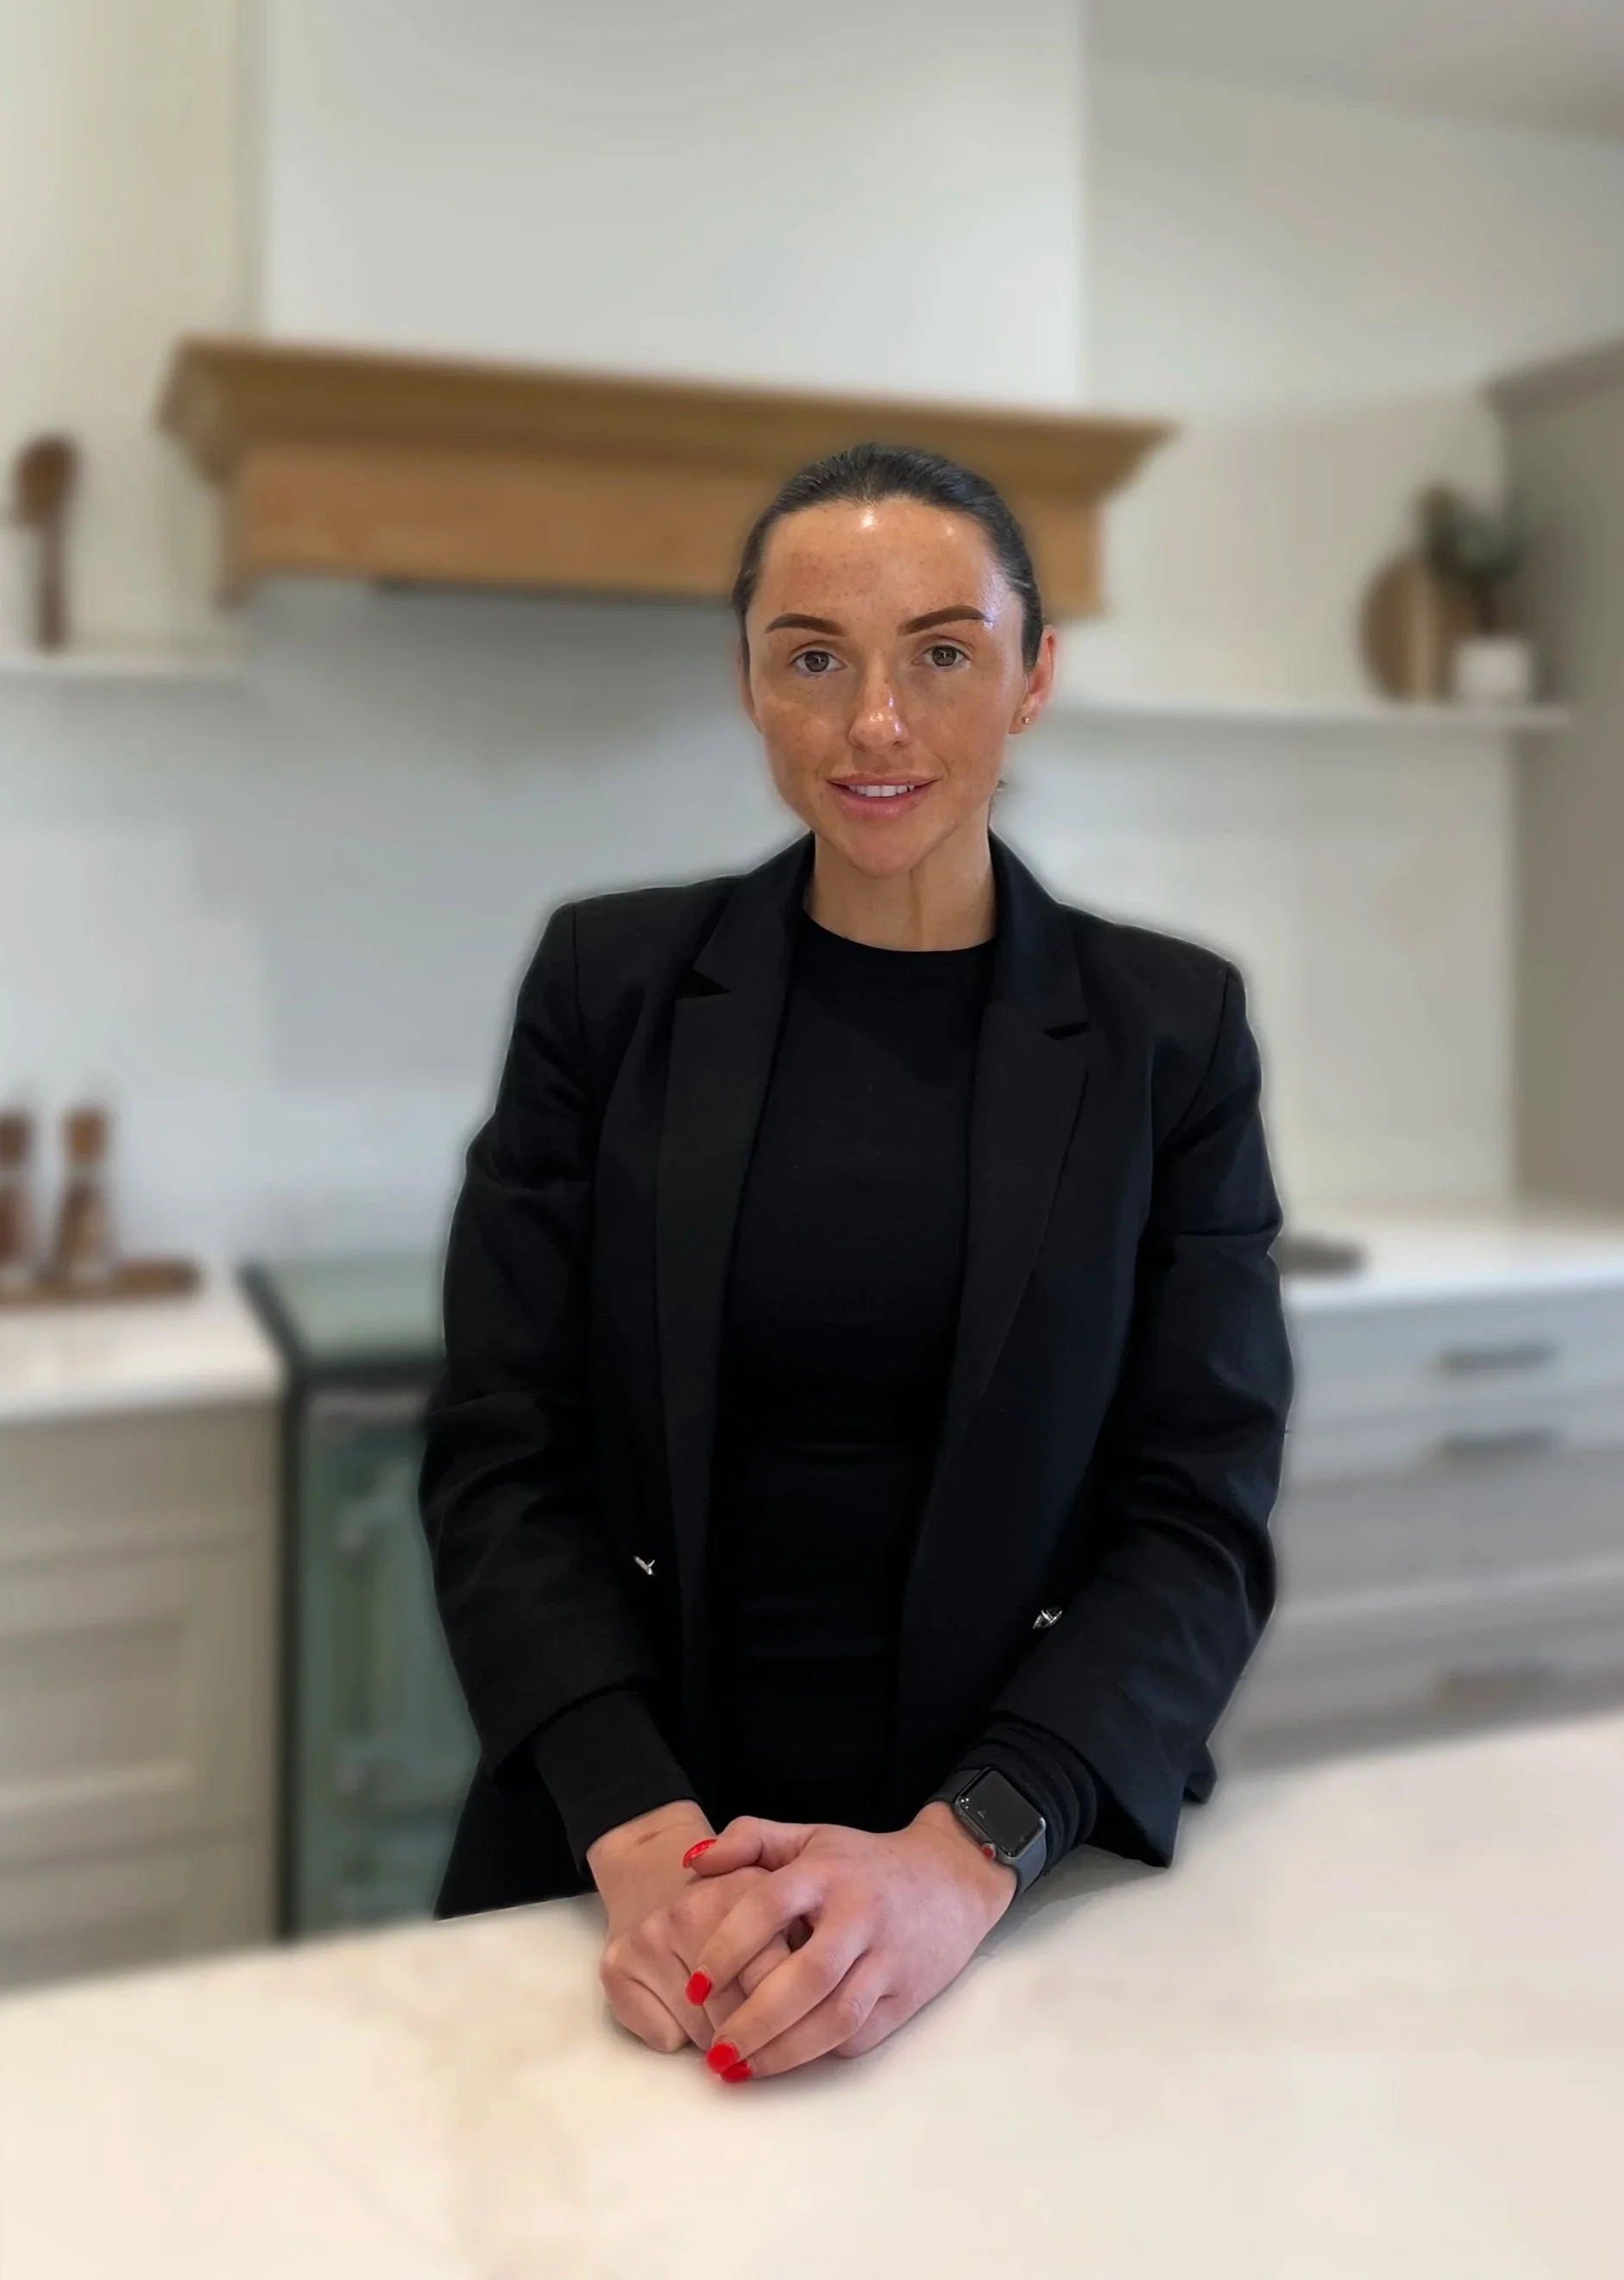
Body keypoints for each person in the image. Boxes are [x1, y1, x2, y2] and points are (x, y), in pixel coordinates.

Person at [418, 441, 1294, 2085]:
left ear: (1033, 678)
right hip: (624, 1867)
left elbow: (1200, 1507)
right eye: (812, 655)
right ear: (748, 683)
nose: (874, 722)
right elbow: (500, 1455)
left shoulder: (1168, 1031)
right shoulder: (608, 987)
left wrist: (964, 1854)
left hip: (1011, 1870)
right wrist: (643, 1837)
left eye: (940, 654)